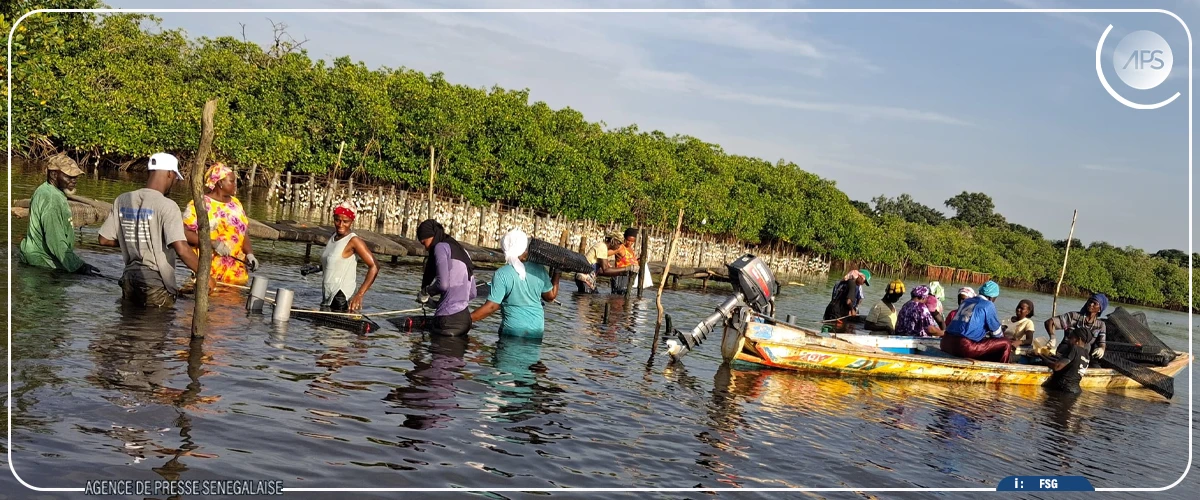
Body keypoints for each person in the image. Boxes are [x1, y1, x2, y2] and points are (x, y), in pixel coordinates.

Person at [97, 153, 202, 308]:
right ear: (169, 173)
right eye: (174, 178)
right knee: (155, 328)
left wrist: (136, 242)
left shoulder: (122, 199)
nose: (173, 182)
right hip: (155, 283)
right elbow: (182, 249)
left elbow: (104, 239)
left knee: (127, 328)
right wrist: (205, 275)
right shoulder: (168, 206)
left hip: (129, 278)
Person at [19, 154, 101, 275]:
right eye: (69, 176)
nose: (74, 180)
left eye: (75, 176)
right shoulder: (52, 199)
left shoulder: (45, 190)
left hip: (35, 259)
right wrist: (79, 266)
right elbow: (55, 240)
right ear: (54, 174)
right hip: (42, 263)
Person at [470, 228, 561, 337]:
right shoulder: (539, 269)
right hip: (536, 331)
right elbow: (550, 296)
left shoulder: (502, 274)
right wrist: (557, 271)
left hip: (513, 331)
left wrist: (467, 319)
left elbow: (491, 307)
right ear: (524, 248)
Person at [182, 163, 258, 286]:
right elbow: (184, 233)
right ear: (219, 183)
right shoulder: (199, 204)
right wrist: (212, 243)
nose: (235, 185)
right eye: (231, 181)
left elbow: (243, 233)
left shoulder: (236, 204)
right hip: (208, 273)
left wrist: (250, 254)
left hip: (236, 274)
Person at [416, 219, 476, 336]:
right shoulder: (462, 251)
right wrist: (437, 303)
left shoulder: (440, 247)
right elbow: (472, 293)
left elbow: (442, 285)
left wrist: (425, 292)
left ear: (431, 236)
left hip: (448, 322)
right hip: (465, 320)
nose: (426, 249)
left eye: (424, 243)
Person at [317, 202, 379, 312]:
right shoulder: (333, 237)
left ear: (352, 221)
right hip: (327, 296)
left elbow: (374, 266)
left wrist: (359, 294)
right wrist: (316, 268)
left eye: (345, 221)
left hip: (341, 298)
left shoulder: (354, 241)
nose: (341, 224)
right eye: (337, 220)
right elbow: (334, 264)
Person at [941, 280, 1012, 363]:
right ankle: (1001, 370)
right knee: (1006, 343)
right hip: (963, 347)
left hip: (945, 343)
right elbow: (997, 334)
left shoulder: (966, 301)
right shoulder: (988, 304)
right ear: (992, 297)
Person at [1044, 293, 1108, 359]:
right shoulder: (1073, 316)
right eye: (1090, 301)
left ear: (1100, 309)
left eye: (1095, 303)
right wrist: (1052, 337)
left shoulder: (1101, 325)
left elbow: (1102, 342)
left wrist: (1102, 349)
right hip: (1065, 351)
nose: (1091, 304)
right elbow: (1049, 322)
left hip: (1083, 355)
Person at [1038, 327, 1093, 394]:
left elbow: (1057, 367)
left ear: (1078, 339)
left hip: (1063, 389)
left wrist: (1041, 357)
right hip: (1075, 390)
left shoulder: (1074, 349)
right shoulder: (1086, 354)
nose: (1067, 340)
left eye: (1071, 337)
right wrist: (1043, 356)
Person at [822, 269, 871, 333]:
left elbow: (834, 297)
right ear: (860, 276)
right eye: (864, 281)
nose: (863, 284)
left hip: (829, 310)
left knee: (827, 329)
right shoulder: (853, 284)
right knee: (837, 332)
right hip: (838, 313)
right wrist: (852, 310)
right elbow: (848, 301)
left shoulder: (841, 282)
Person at [610, 228, 640, 294]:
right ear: (624, 238)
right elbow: (606, 253)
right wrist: (607, 263)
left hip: (628, 278)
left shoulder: (630, 249)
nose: (630, 243)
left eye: (632, 241)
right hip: (620, 277)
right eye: (628, 240)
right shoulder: (621, 247)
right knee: (618, 298)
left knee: (624, 298)